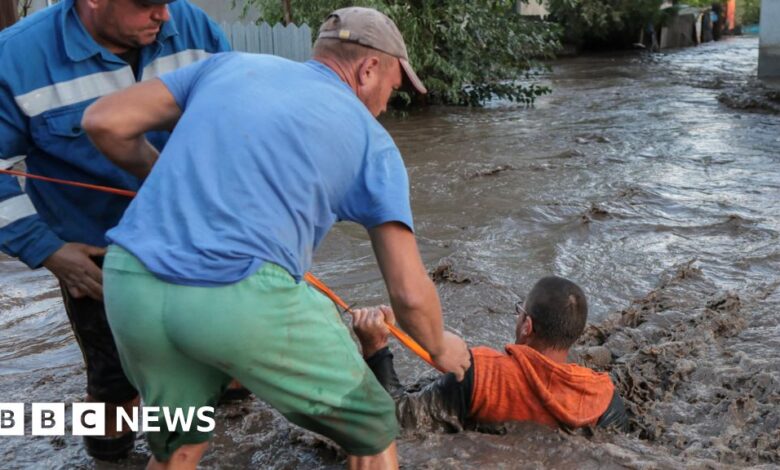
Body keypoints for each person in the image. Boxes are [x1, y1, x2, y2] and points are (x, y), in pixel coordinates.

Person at [82, 6, 471, 470]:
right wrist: (440, 345)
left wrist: (155, 173)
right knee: (372, 426)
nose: (389, 102)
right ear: (369, 69)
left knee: (177, 448)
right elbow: (408, 292)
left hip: (130, 283)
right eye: (393, 85)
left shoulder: (229, 65)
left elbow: (104, 121)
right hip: (236, 293)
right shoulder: (374, 142)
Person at [0, 0, 230, 461]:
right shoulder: (15, 58)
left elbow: (235, 120)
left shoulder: (193, 26)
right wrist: (48, 250)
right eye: (147, 5)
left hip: (203, 239)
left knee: (227, 359)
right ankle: (111, 452)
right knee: (114, 392)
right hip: (98, 260)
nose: (164, 16)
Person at [351, 276, 629, 433]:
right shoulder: (604, 398)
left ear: (527, 326)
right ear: (574, 334)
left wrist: (376, 348)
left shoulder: (481, 373)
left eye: (519, 311)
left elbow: (398, 421)